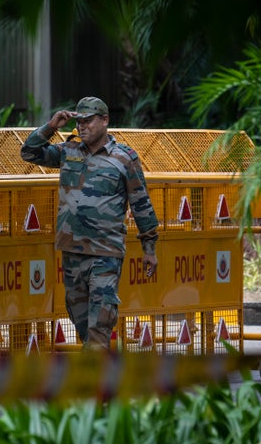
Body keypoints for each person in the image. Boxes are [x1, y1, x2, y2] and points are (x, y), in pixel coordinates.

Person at [20, 96, 159, 350]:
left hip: (105, 253)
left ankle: (95, 382)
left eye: (89, 121)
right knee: (81, 320)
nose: (82, 127)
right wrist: (51, 127)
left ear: (105, 120)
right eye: (79, 122)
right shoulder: (68, 151)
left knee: (100, 323)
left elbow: (141, 203)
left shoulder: (124, 158)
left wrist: (149, 248)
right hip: (72, 250)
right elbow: (28, 152)